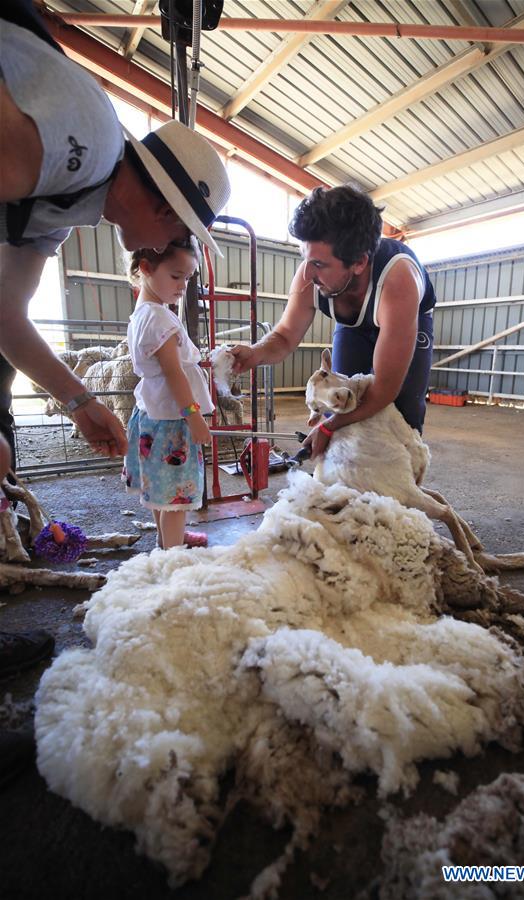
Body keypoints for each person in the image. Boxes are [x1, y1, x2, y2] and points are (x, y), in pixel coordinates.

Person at [0, 2, 231, 758]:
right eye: (177, 241)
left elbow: (6, 316)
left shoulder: (66, 206)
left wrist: (78, 402)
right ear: (164, 211)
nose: (167, 252)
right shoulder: (93, 140)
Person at [230, 185, 436, 457]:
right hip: (353, 324)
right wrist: (255, 353)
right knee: (342, 401)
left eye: (319, 264)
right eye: (306, 259)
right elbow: (284, 337)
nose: (308, 273)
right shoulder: (310, 276)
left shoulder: (399, 281)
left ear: (359, 262)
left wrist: (329, 426)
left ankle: (400, 488)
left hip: (406, 318)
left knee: (403, 414)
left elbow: (385, 388)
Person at [122, 242, 213, 550]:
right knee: (176, 500)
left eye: (187, 278)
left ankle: (165, 548)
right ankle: (173, 561)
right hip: (173, 421)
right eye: (176, 276)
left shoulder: (143, 314)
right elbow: (174, 374)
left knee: (162, 495)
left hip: (151, 415)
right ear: (146, 268)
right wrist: (195, 416)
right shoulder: (161, 318)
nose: (182, 286)